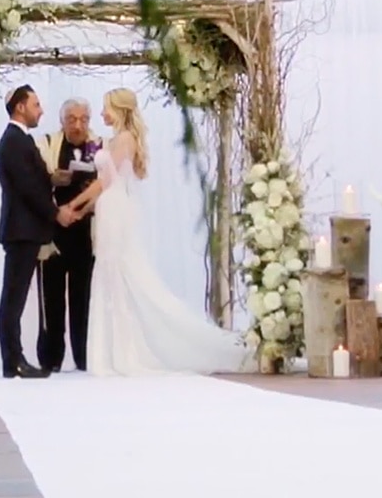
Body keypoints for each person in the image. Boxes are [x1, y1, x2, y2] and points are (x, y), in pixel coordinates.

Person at [65, 88, 254, 376]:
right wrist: (84, 208)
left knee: (118, 274)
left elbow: (103, 182)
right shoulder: (118, 139)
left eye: (105, 108)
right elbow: (108, 184)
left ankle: (123, 352)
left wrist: (73, 205)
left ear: (118, 109)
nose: (101, 114)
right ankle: (112, 349)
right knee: (110, 274)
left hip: (115, 211)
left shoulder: (125, 138)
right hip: (110, 207)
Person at [0, 84, 76, 378]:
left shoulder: (19, 140)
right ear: (20, 107)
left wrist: (53, 178)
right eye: (36, 105)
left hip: (25, 229)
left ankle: (14, 358)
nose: (41, 110)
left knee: (14, 297)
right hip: (21, 229)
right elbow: (27, 188)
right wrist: (56, 212)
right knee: (13, 297)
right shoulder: (14, 141)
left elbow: (34, 180)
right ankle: (12, 360)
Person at [34, 98, 103, 372]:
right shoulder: (47, 143)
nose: (78, 125)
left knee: (83, 297)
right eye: (72, 119)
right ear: (62, 121)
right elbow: (34, 183)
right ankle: (51, 358)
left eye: (84, 119)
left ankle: (84, 356)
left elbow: (109, 182)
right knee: (51, 298)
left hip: (86, 231)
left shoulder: (99, 145)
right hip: (54, 231)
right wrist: (52, 179)